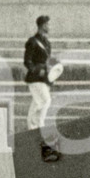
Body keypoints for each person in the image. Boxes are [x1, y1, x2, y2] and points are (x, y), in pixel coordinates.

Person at [24, 14, 60, 162]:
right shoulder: (33, 42)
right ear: (42, 25)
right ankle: (36, 126)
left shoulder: (46, 42)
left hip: (44, 79)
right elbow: (27, 61)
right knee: (45, 100)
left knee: (38, 102)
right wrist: (36, 70)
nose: (49, 27)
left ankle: (34, 127)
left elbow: (47, 61)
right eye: (48, 24)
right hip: (35, 78)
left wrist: (50, 74)